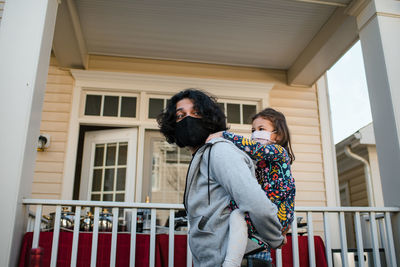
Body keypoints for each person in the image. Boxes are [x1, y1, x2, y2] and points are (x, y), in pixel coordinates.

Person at [157, 89, 285, 267]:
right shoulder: (202, 156)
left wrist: (275, 238)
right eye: (180, 116)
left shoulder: (219, 151)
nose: (188, 119)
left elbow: (257, 204)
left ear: (209, 119)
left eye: (196, 113)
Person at [207, 108, 296, 267]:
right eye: (253, 130)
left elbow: (256, 149)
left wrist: (224, 135)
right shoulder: (257, 162)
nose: (255, 134)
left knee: (236, 215)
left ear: (278, 135)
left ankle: (231, 263)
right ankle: (259, 253)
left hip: (276, 212)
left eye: (261, 129)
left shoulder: (279, 152)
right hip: (264, 213)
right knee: (238, 218)